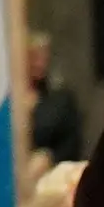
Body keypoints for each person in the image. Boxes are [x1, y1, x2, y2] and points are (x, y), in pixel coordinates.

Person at [25, 31, 82, 175]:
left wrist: (49, 158)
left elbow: (72, 144)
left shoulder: (60, 99)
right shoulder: (8, 103)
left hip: (51, 176)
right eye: (33, 57)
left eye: (43, 57)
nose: (39, 63)